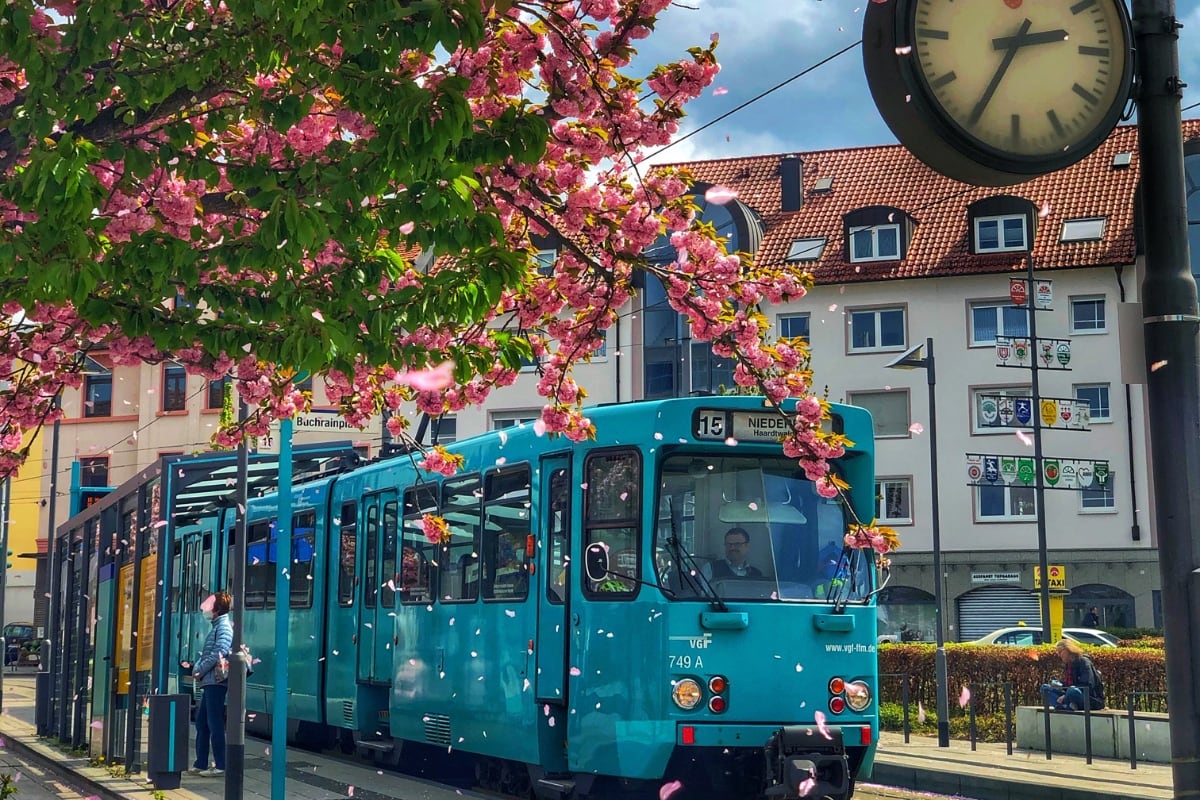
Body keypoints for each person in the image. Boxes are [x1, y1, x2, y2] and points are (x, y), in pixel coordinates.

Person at [190, 591, 233, 776]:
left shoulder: (223, 628)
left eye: (208, 606)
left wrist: (199, 669)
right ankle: (201, 763)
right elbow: (210, 653)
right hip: (210, 682)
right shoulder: (217, 626)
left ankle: (221, 765)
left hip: (216, 681)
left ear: (216, 609)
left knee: (213, 722)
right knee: (202, 722)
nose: (205, 609)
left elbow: (218, 653)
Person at [1040, 639, 1104, 711]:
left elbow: (1087, 685)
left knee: (1072, 691)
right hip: (1071, 694)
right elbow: (1069, 684)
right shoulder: (1069, 664)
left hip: (1090, 698)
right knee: (1045, 688)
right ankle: (1065, 706)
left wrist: (1065, 695)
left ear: (1068, 650)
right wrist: (1060, 685)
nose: (1059, 655)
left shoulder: (1084, 662)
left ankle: (1065, 705)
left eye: (1060, 652)